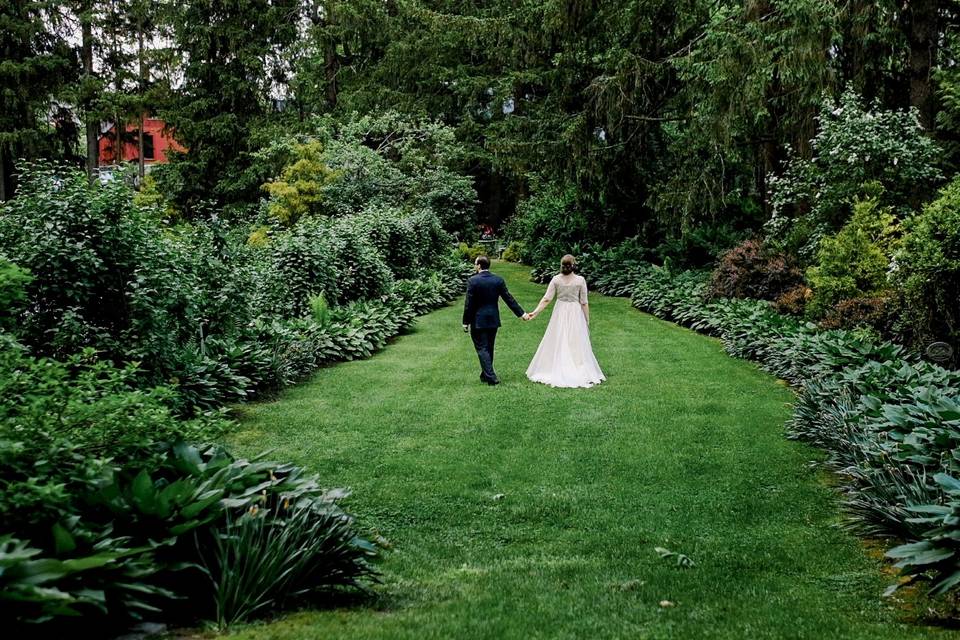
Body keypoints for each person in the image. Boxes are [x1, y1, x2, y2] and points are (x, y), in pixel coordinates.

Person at [525, 254, 605, 388]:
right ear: (573, 265)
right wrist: (586, 319)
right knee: (575, 340)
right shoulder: (580, 280)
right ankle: (577, 365)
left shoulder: (556, 279)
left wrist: (536, 312)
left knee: (558, 337)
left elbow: (547, 299)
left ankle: (557, 365)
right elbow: (584, 302)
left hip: (560, 311)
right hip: (575, 312)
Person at [462, 255, 530, 385]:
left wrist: (465, 322)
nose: (474, 266)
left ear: (479, 266)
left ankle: (492, 377)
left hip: (478, 320)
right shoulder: (497, 280)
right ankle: (485, 374)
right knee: (489, 347)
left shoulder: (473, 281)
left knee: (482, 348)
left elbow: (468, 304)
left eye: (475, 264)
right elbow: (509, 298)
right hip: (493, 319)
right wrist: (522, 314)